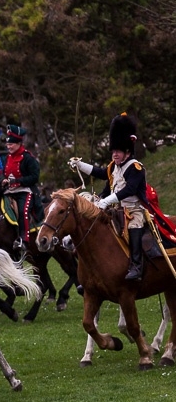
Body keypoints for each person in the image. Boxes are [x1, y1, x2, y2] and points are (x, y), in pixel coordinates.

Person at [69, 113, 150, 281]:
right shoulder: (114, 166)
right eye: (113, 151)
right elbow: (101, 174)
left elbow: (129, 190)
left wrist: (107, 200)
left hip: (135, 209)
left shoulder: (136, 167)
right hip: (115, 209)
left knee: (134, 229)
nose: (114, 154)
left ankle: (136, 266)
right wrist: (80, 165)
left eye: (118, 151)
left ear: (127, 150)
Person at [2, 125, 41, 251]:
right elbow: (4, 172)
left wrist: (18, 181)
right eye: (8, 144)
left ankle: (24, 240)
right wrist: (2, 180)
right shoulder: (7, 158)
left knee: (23, 211)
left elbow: (35, 177)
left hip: (25, 191)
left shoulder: (28, 158)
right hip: (9, 191)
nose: (8, 147)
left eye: (11, 144)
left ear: (19, 143)